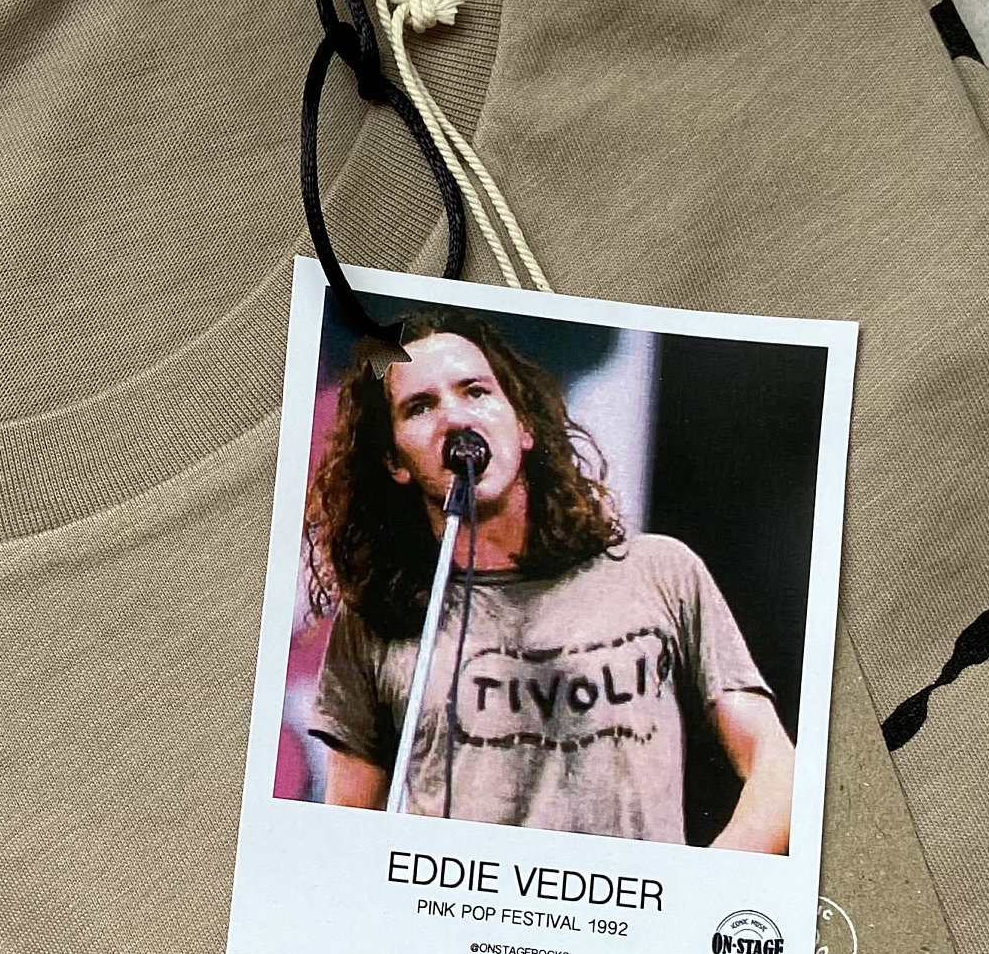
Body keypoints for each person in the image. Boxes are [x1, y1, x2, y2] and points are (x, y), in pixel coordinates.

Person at [304, 312, 795, 848]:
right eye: (420, 406)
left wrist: (700, 884)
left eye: (476, 391)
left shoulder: (658, 571)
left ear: (524, 428)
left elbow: (774, 764)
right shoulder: (377, 618)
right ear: (395, 461)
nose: (455, 417)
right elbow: (345, 831)